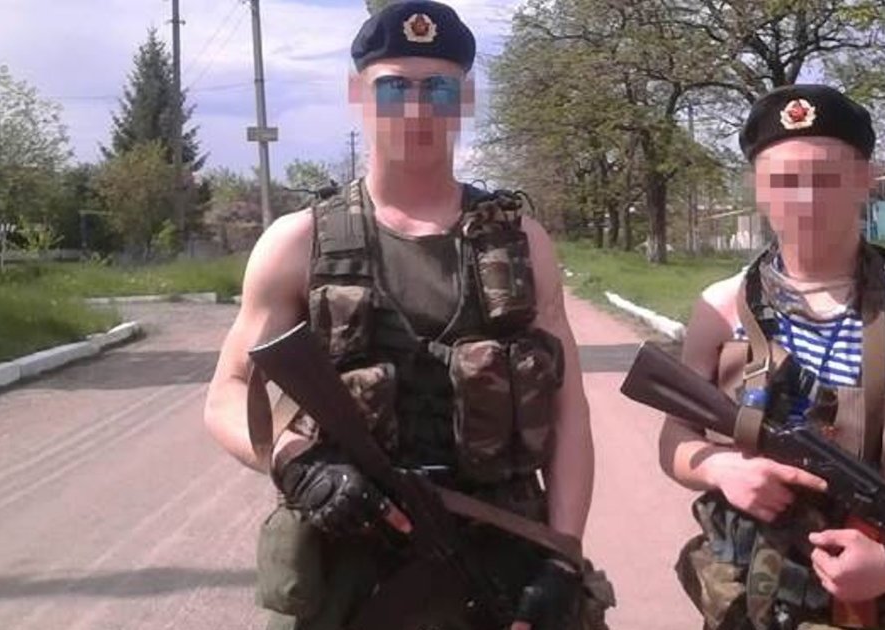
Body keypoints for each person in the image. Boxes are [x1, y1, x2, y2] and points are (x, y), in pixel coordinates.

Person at [202, 2, 608, 628]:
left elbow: (568, 412)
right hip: (349, 566)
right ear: (357, 94)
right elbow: (227, 394)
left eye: (438, 88)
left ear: (464, 99)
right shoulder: (298, 242)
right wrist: (296, 462)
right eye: (394, 88)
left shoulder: (522, 243)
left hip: (500, 554)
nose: (417, 110)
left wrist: (563, 556)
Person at [657, 84, 885, 630]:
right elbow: (675, 439)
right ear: (758, 189)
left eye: (826, 178)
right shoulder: (721, 309)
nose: (805, 199)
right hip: (749, 601)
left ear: (865, 179)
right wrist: (722, 469)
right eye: (783, 181)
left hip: (882, 609)